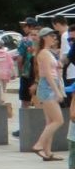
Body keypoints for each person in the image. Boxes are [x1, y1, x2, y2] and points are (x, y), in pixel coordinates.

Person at [32, 30, 64, 162]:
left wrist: (58, 67)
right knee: (58, 120)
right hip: (48, 88)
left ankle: (47, 152)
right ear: (44, 38)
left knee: (50, 122)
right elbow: (47, 75)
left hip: (48, 87)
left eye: (55, 36)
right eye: (52, 36)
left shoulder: (47, 52)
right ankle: (39, 145)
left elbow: (52, 72)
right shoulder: (44, 53)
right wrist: (57, 91)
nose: (54, 38)